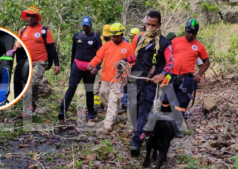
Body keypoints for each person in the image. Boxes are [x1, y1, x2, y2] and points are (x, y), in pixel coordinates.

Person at [128, 11, 173, 157]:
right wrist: (124, 60)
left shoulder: (165, 43)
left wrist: (162, 74)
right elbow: (137, 55)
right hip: (136, 78)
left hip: (150, 82)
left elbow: (170, 62)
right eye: (148, 24)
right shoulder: (141, 38)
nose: (150, 27)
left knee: (143, 111)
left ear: (159, 25)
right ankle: (142, 131)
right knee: (133, 109)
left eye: (153, 25)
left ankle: (136, 142)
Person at [161, 19, 210, 138]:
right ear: (185, 30)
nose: (190, 34)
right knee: (165, 100)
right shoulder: (175, 41)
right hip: (171, 75)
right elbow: (165, 54)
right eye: (189, 32)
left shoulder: (199, 46)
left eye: (193, 32)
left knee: (181, 104)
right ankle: (163, 124)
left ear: (196, 33)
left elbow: (206, 62)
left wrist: (199, 74)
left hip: (187, 78)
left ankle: (177, 128)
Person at [87, 23, 135, 131]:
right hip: (105, 77)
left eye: (117, 36)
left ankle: (108, 124)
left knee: (113, 100)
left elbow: (132, 62)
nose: (114, 38)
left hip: (118, 79)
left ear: (122, 34)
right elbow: (99, 56)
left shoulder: (128, 47)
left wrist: (124, 73)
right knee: (102, 94)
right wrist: (92, 63)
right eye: (113, 36)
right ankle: (113, 114)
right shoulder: (107, 45)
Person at [14, 6, 60, 114]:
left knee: (32, 83)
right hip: (27, 62)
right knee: (26, 84)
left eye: (32, 16)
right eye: (28, 16)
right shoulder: (22, 30)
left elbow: (52, 49)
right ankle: (45, 89)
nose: (29, 18)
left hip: (41, 61)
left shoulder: (44, 30)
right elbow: (17, 46)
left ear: (37, 17)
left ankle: (31, 107)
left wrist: (57, 64)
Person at [58, 16, 102, 126]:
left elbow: (100, 55)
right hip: (77, 65)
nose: (85, 27)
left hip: (89, 67)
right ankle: (63, 111)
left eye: (87, 26)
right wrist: (72, 65)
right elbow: (73, 52)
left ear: (91, 25)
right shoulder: (76, 36)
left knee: (89, 90)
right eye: (84, 25)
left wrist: (96, 67)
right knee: (71, 87)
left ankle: (90, 113)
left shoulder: (96, 38)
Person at [94, 24, 111, 113]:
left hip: (109, 68)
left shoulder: (113, 41)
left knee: (105, 89)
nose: (106, 37)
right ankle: (96, 105)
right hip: (100, 67)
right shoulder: (99, 39)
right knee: (97, 87)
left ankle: (105, 105)